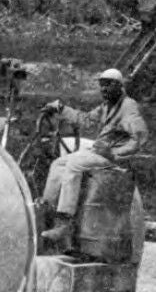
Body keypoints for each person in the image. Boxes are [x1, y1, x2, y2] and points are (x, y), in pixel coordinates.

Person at [38, 68, 149, 251]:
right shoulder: (107, 106)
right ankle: (47, 212)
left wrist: (115, 153)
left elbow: (140, 137)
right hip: (99, 152)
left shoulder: (128, 107)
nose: (103, 89)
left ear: (118, 86)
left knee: (74, 164)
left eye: (108, 85)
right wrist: (61, 109)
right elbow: (86, 120)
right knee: (58, 164)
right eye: (102, 85)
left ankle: (64, 223)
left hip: (111, 156)